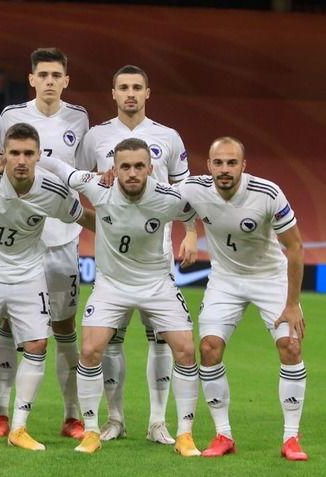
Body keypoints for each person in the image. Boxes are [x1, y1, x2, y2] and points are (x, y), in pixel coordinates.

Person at [38, 138, 201, 456]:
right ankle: (92, 431)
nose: (132, 172)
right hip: (111, 284)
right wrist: (7, 160)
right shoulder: (98, 186)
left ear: (150, 168)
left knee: (185, 349)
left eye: (139, 166)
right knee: (90, 350)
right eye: (125, 166)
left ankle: (185, 434)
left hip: (156, 283)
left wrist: (192, 233)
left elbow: (192, 207)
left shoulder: (166, 196)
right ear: (114, 168)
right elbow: (59, 167)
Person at [0, 123, 94, 451]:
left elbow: (83, 217)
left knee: (37, 345)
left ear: (38, 155)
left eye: (28, 153)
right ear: (3, 154)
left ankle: (19, 428)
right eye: (14, 153)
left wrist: (120, 232)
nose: (21, 160)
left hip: (28, 273)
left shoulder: (54, 191)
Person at [75, 65, 195, 444]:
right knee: (110, 341)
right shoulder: (96, 136)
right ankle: (115, 419)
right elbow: (82, 182)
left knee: (160, 340)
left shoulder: (168, 137)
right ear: (113, 93)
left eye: (137, 87)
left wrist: (191, 233)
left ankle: (158, 421)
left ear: (147, 92)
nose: (130, 93)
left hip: (157, 257)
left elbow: (185, 192)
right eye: (123, 87)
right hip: (114, 261)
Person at [178, 137, 308, 461]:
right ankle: (223, 435)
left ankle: (291, 438)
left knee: (290, 347)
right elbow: (173, 202)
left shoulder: (267, 194)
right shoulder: (193, 188)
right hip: (225, 279)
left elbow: (295, 247)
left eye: (231, 163)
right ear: (209, 166)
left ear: (243, 166)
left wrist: (292, 304)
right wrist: (190, 232)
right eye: (218, 163)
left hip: (270, 278)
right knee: (209, 348)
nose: (225, 169)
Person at [0, 47, 89, 440]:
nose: (49, 81)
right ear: (31, 79)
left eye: (56, 75)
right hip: (18, 239)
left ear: (66, 80)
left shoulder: (78, 118)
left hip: (62, 239)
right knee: (8, 323)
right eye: (42, 75)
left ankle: (72, 415)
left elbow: (80, 175)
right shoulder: (11, 116)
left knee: (63, 326)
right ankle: (0, 414)